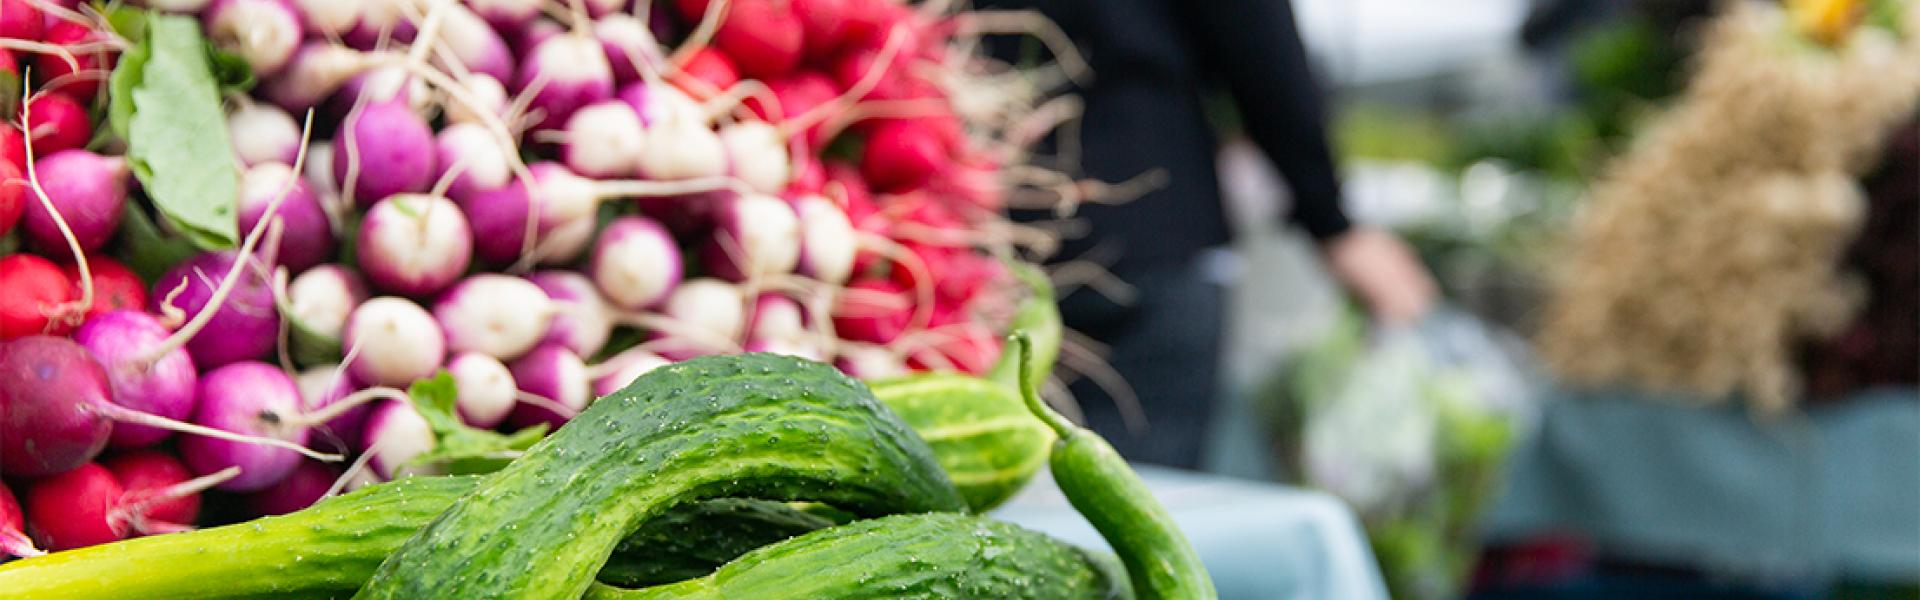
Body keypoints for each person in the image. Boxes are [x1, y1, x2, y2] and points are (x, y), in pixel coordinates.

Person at [982, 0, 1438, 468]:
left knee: (999, 488)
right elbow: (1260, 48)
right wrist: (1332, 222)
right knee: (1141, 498)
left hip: (987, 240)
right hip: (1145, 235)